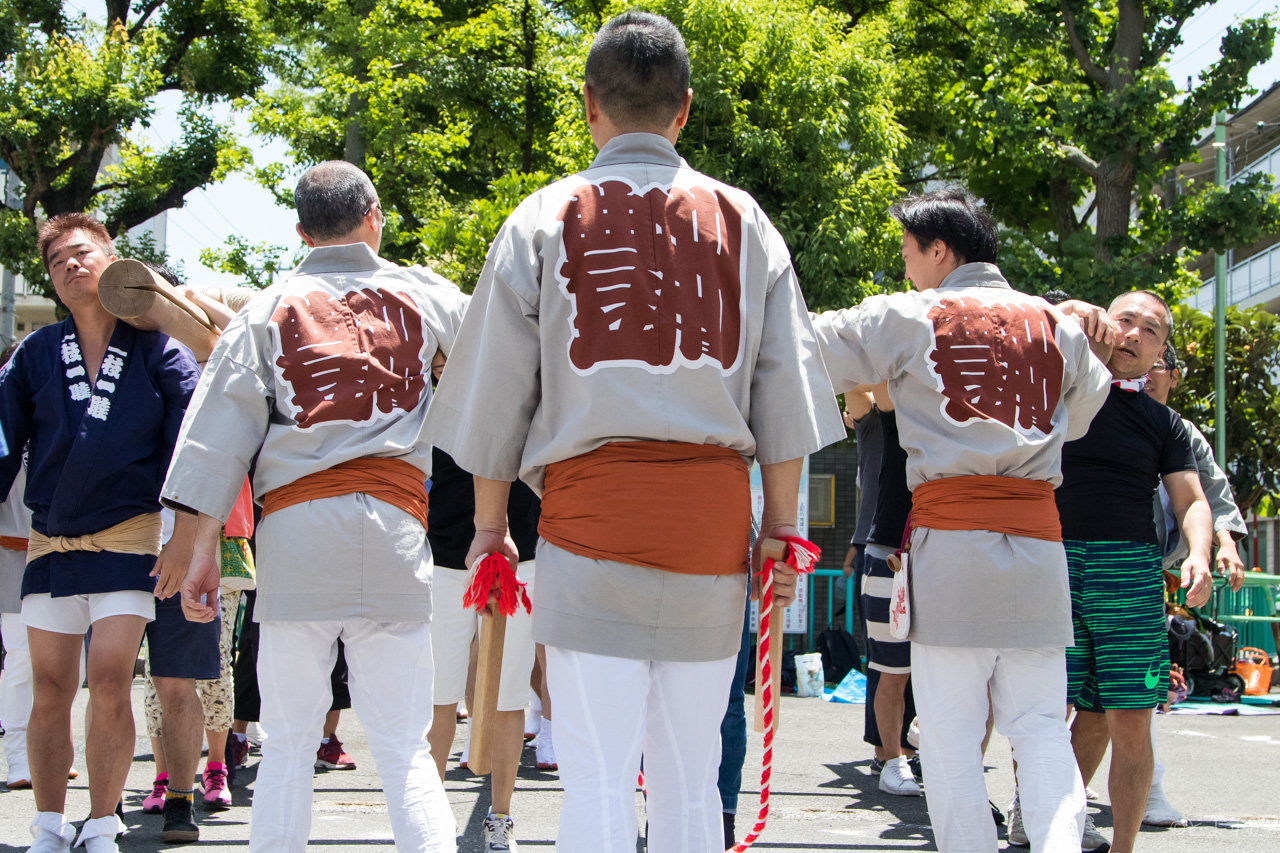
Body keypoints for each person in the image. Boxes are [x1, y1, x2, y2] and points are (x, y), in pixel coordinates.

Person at [424, 12, 845, 852]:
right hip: (711, 532)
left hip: (588, 527)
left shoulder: (542, 218)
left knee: (596, 777)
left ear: (589, 104)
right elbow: (784, 391)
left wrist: (491, 530)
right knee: (692, 780)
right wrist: (785, 528)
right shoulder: (745, 219)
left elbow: (496, 399)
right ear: (684, 109)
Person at [162, 160, 466, 853]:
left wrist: (202, 546)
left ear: (300, 230)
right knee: (404, 747)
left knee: (292, 745)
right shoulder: (427, 294)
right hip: (394, 526)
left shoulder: (266, 308)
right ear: (374, 212)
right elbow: (499, 371)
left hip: (296, 532)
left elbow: (218, 437)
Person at [810, 189, 1114, 853]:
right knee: (1038, 725)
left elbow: (813, 343)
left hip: (952, 542)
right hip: (1037, 544)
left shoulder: (913, 313)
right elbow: (1086, 413)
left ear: (941, 249)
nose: (906, 267)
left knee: (949, 729)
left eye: (908, 252)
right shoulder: (1054, 324)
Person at [0, 213, 201, 853]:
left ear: (113, 260)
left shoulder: (157, 347)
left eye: (82, 253)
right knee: (50, 686)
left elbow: (196, 446)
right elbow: (3, 444)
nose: (70, 265)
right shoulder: (33, 354)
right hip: (52, 543)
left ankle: (104, 819)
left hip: (129, 537)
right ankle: (49, 825)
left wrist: (184, 537)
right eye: (58, 260)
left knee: (112, 676)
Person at [1056, 289, 1213, 853]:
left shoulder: (1164, 423)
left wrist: (1199, 552)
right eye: (1125, 320)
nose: (1134, 335)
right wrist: (1071, 311)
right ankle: (1043, 825)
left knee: (1124, 717)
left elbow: (1192, 501)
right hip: (1048, 563)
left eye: (1151, 331)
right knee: (1040, 711)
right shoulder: (1056, 387)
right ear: (1101, 322)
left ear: (1160, 355)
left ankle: (1121, 847)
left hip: (1129, 573)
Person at [1140, 342, 1245, 828]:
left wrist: (1221, 546)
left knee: (1142, 689)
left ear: (1174, 376)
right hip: (1077, 559)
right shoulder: (1091, 410)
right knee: (1057, 690)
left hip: (1144, 573)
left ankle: (1150, 786)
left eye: (1158, 362)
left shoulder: (1181, 433)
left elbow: (1208, 496)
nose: (1148, 371)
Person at [425, 444, 539, 851]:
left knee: (509, 695)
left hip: (522, 556)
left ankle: (501, 816)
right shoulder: (442, 389)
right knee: (438, 696)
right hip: (444, 556)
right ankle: (430, 816)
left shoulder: (530, 388)